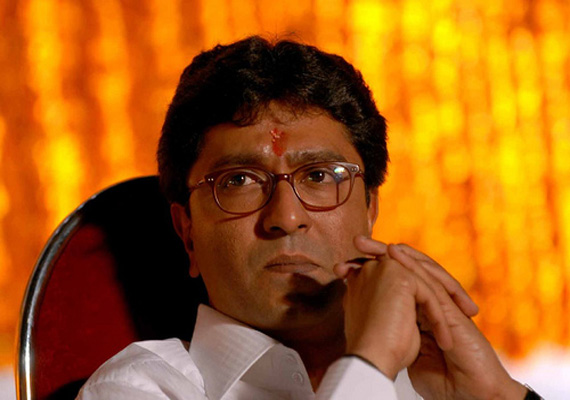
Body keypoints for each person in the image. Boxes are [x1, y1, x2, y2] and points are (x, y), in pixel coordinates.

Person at [77, 36, 541, 400]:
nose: (286, 216)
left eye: (320, 175)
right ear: (188, 234)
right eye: (239, 181)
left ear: (370, 209)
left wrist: (498, 395)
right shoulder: (136, 388)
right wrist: (371, 364)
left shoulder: (435, 378)